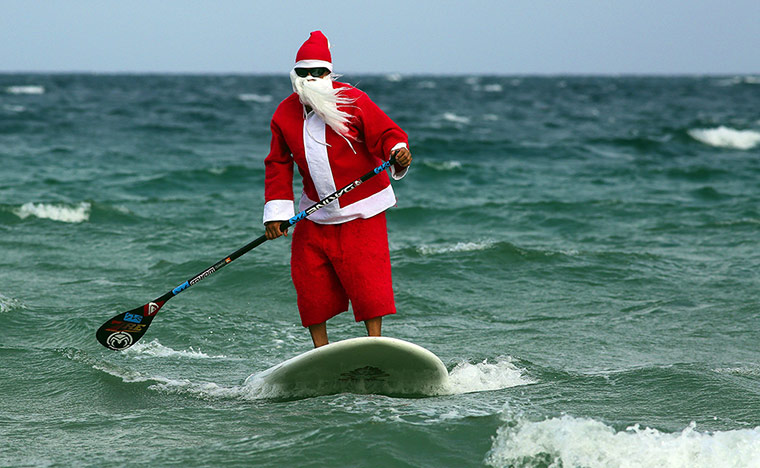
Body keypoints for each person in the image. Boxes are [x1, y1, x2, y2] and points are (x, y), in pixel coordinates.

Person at [262, 31, 412, 348]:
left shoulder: (354, 101)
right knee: (309, 282)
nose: (310, 79)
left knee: (369, 282)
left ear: (329, 73)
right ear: (294, 75)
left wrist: (397, 150)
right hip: (315, 211)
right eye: (303, 73)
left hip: (362, 208)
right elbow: (277, 163)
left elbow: (386, 133)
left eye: (318, 72)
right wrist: (276, 214)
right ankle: (321, 350)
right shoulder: (284, 112)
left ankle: (375, 344)